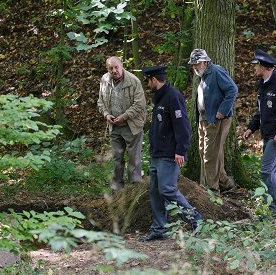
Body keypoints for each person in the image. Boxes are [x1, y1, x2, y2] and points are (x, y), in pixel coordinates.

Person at [141, 65, 203, 241]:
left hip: (169, 154)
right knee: (155, 192)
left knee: (167, 189)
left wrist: (181, 150)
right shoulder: (159, 97)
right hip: (157, 153)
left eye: (148, 80)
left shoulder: (173, 97)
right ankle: (159, 229)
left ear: (154, 80)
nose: (147, 83)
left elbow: (182, 126)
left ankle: (197, 221)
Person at [243, 49, 276, 214]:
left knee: (266, 171)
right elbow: (261, 111)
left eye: (256, 66)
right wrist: (251, 128)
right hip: (267, 134)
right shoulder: (262, 85)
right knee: (274, 172)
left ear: (263, 66)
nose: (254, 68)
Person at [188, 49, 238, 195]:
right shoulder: (203, 75)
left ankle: (211, 190)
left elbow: (232, 90)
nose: (194, 67)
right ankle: (225, 183)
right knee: (206, 152)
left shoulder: (215, 71)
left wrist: (222, 111)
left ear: (205, 61)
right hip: (204, 119)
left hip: (216, 120)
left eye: (196, 63)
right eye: (193, 65)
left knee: (210, 154)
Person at [97, 56, 147, 193]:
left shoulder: (133, 81)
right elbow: (100, 102)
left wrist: (124, 117)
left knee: (134, 160)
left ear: (122, 66)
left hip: (132, 125)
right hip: (114, 126)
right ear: (107, 69)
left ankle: (134, 191)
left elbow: (140, 104)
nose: (114, 70)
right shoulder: (104, 80)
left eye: (116, 67)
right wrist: (106, 115)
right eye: (111, 68)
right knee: (116, 159)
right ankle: (117, 192)